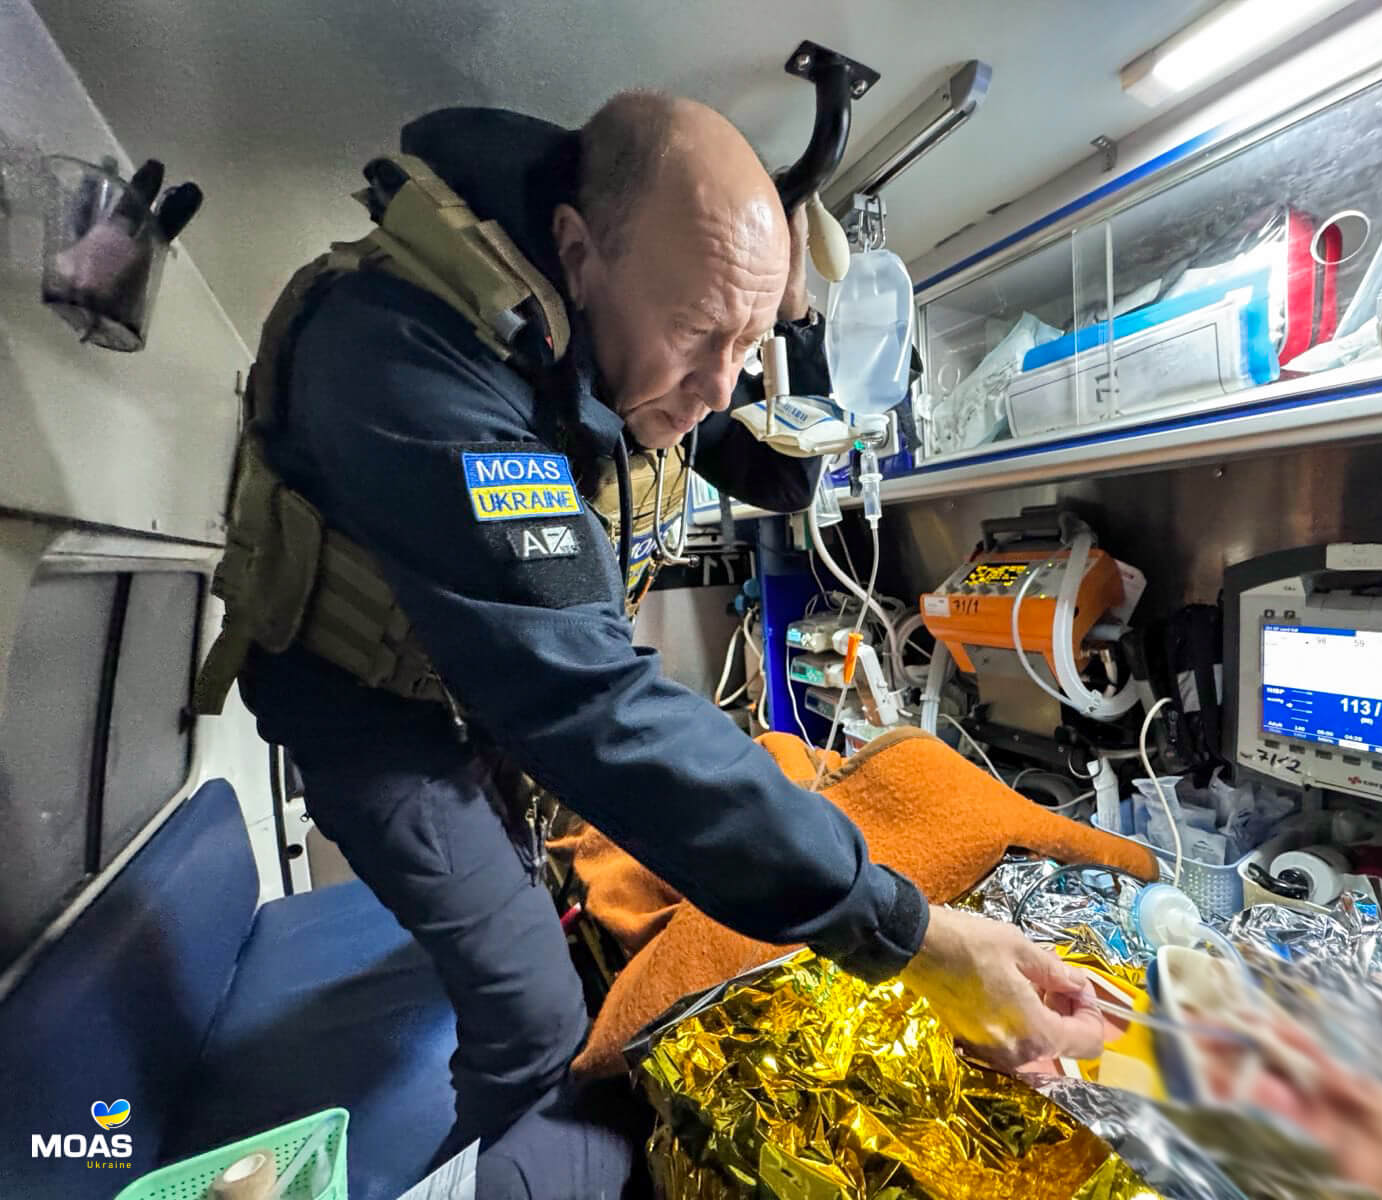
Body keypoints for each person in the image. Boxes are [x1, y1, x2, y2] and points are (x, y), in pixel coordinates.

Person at [211, 93, 1102, 1196]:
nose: (720, 386)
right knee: (535, 1019)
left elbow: (777, 469)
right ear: (578, 253)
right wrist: (908, 934)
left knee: (533, 910)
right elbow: (586, 700)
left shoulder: (650, 325)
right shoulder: (402, 348)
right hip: (370, 711)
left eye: (745, 345)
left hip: (491, 693)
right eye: (700, 336)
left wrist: (795, 324)